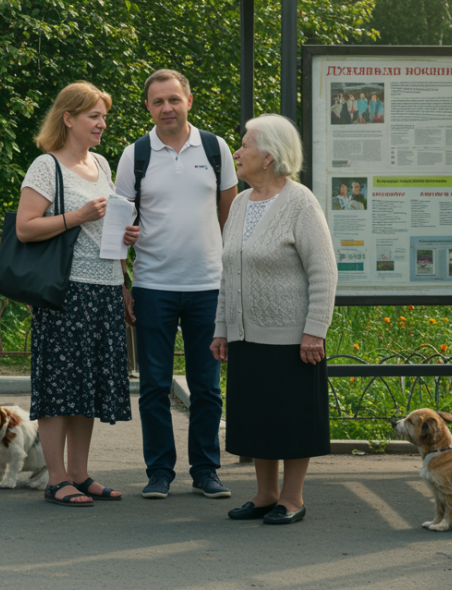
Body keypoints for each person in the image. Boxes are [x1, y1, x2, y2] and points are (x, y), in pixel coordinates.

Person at [114, 69, 238, 499]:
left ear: (189, 100)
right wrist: (124, 283)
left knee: (208, 386)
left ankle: (205, 470)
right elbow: (120, 222)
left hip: (209, 286)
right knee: (154, 386)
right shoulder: (135, 154)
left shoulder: (215, 148)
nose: (166, 108)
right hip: (153, 285)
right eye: (157, 102)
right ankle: (159, 472)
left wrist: (228, 275)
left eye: (173, 99)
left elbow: (230, 215)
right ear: (148, 107)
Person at [15, 82, 141, 507]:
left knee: (87, 388)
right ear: (68, 118)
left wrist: (123, 263)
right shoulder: (45, 165)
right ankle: (56, 479)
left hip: (103, 289)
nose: (102, 124)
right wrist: (79, 215)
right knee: (60, 387)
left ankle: (80, 474)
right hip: (65, 292)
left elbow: (104, 228)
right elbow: (25, 227)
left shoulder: (101, 164)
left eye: (104, 116)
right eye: (94, 116)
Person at [210, 113, 337, 525]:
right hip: (245, 336)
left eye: (244, 145)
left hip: (291, 338)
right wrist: (222, 329)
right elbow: (229, 272)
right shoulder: (241, 203)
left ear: (268, 156)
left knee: (291, 419)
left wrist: (314, 331)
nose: (237, 152)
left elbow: (324, 271)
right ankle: (265, 495)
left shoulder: (300, 202)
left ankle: (292, 499)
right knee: (258, 418)